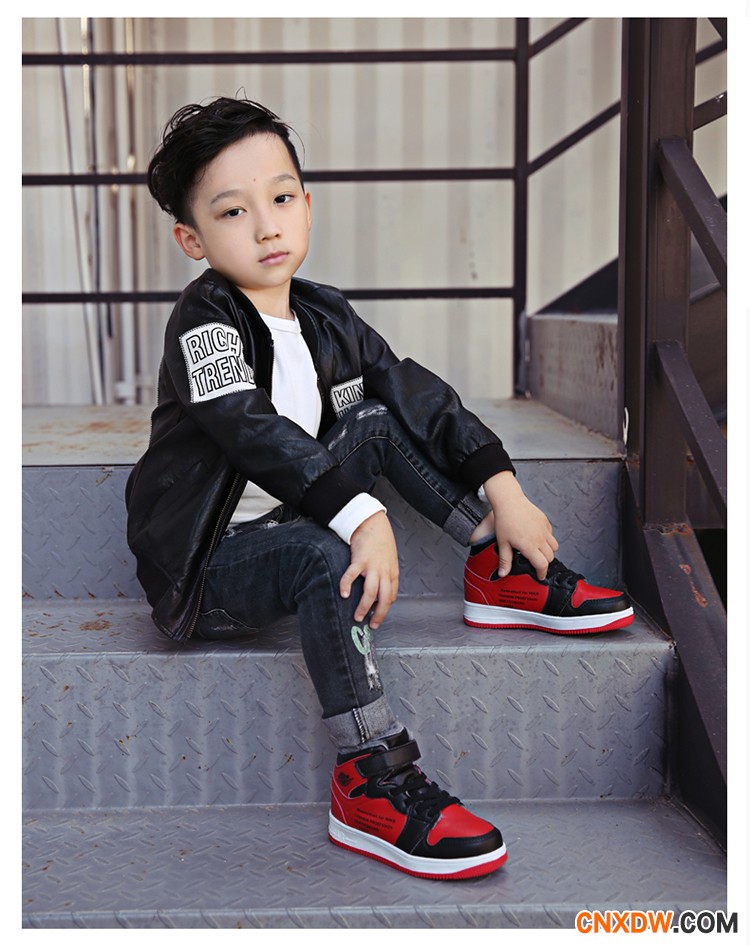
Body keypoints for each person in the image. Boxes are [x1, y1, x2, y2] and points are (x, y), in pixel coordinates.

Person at [126, 96, 633, 881]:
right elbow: (249, 428)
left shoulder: (326, 314)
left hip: (298, 513)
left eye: (281, 198)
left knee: (372, 416)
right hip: (211, 564)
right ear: (192, 239)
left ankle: (494, 562)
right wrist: (360, 515)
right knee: (321, 554)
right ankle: (370, 776)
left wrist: (502, 486)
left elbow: (414, 394)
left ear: (307, 204)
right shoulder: (203, 324)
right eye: (232, 211)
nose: (265, 227)